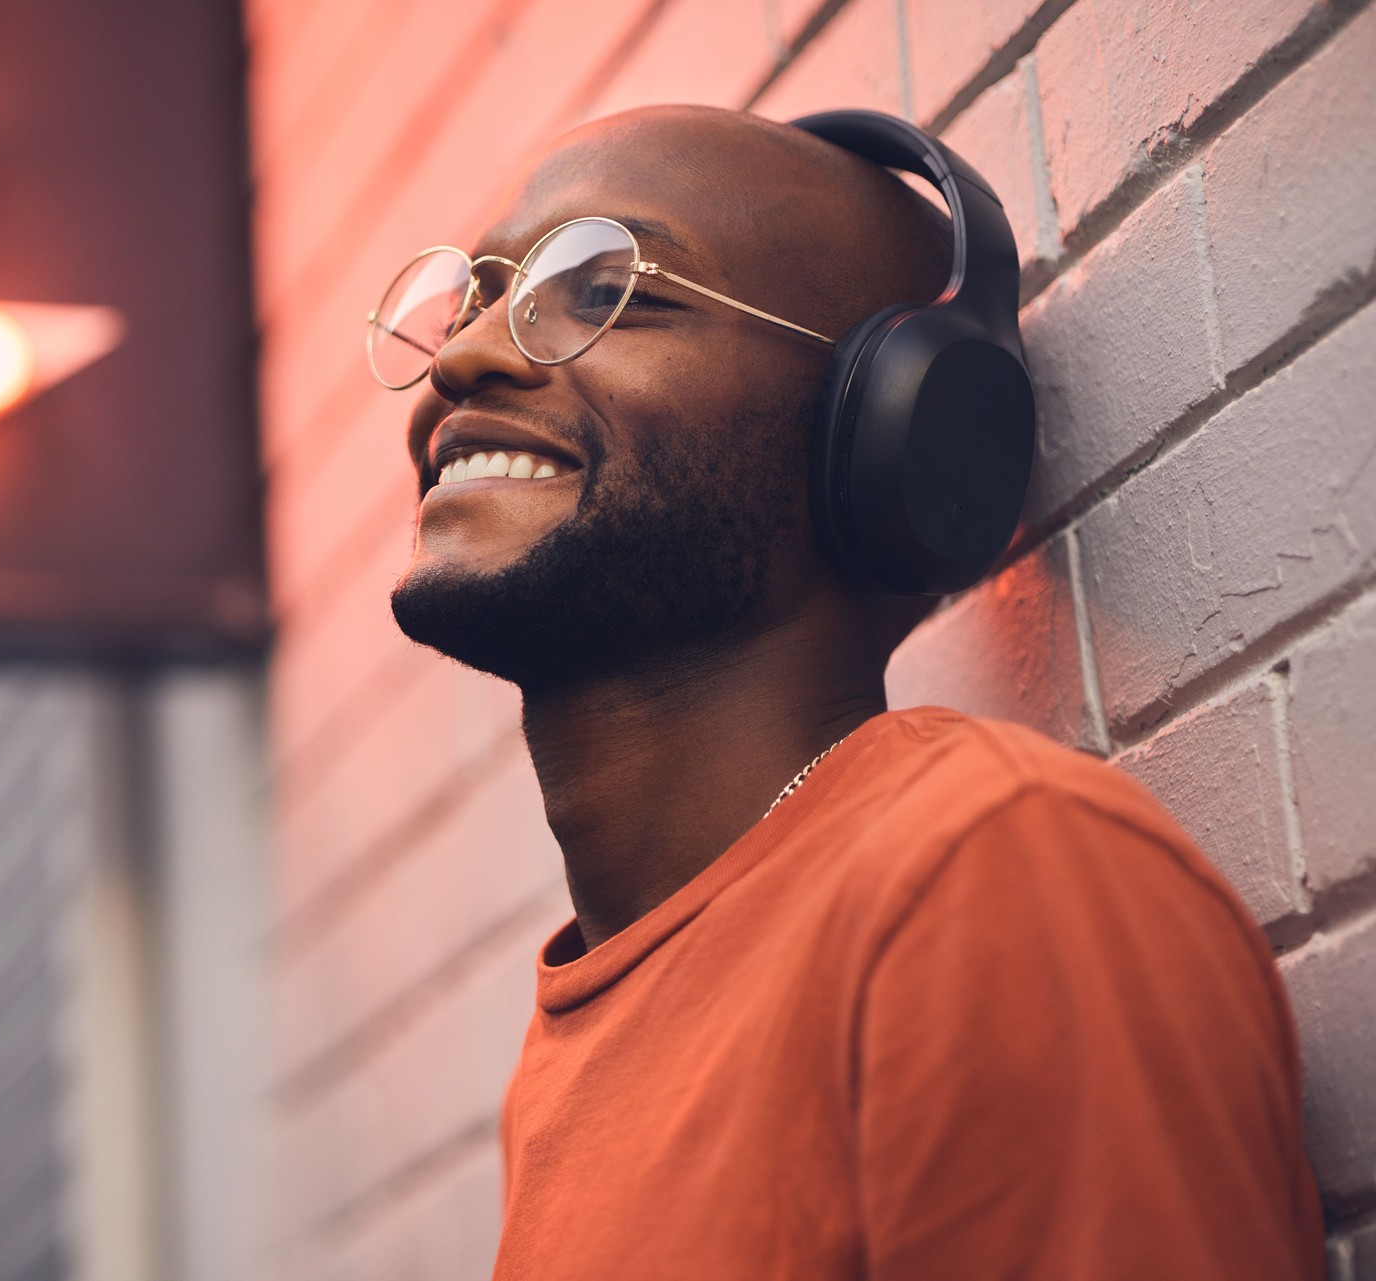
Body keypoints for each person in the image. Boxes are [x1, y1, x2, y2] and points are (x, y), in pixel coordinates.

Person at [367, 105, 1322, 1279]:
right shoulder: (586, 1027)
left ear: (889, 429)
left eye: (609, 288)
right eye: (480, 293)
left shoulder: (985, 877)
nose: (463, 353)